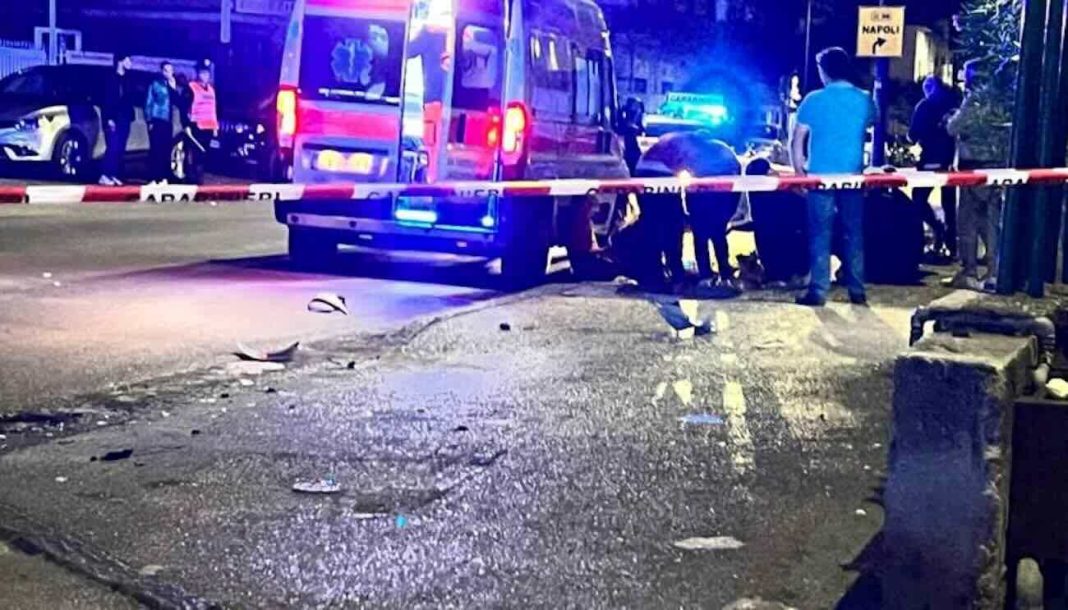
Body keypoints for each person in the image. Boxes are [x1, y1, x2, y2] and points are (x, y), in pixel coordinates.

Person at [791, 47, 876, 307]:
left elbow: (797, 141)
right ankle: (857, 289)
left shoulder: (813, 100)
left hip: (819, 175)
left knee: (820, 233)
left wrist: (799, 174)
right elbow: (871, 130)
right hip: (853, 174)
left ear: (825, 70)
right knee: (853, 232)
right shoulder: (864, 99)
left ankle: (819, 290)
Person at [946, 60, 1012, 291]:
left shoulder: (975, 100)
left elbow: (954, 128)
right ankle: (994, 271)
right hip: (999, 166)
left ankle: (970, 271)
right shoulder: (1005, 100)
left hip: (973, 166)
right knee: (992, 222)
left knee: (968, 222)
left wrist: (951, 118)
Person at [909, 75, 960, 259]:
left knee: (919, 200)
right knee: (949, 204)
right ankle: (951, 243)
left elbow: (913, 134)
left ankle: (935, 229)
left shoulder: (924, 106)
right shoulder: (953, 104)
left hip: (929, 159)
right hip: (949, 160)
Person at [100, 52, 135, 185]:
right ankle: (105, 174)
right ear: (121, 61)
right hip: (113, 117)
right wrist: (109, 118)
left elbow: (130, 98)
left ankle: (114, 174)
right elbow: (107, 100)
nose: (130, 64)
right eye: (128, 60)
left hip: (125, 118)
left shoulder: (128, 80)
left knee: (120, 147)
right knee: (113, 146)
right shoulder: (110, 79)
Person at [183, 59, 219, 184]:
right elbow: (185, 107)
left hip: (209, 126)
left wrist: (215, 127)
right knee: (196, 154)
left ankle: (199, 179)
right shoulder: (191, 88)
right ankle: (193, 180)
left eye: (207, 74)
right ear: (198, 74)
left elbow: (213, 108)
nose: (205, 76)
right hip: (196, 126)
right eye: (202, 73)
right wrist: (186, 125)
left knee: (204, 155)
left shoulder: (211, 90)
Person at [145, 61, 178, 185]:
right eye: (166, 70)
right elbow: (149, 102)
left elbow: (177, 101)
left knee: (166, 149)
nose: (169, 73)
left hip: (168, 121)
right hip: (157, 119)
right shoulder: (155, 84)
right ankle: (153, 177)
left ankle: (164, 177)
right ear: (162, 71)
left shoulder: (172, 85)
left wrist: (173, 88)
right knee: (156, 149)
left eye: (171, 70)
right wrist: (149, 120)